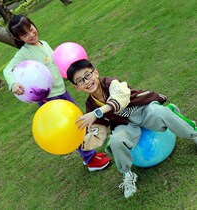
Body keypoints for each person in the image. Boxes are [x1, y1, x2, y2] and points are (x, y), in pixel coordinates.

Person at [66, 59, 197, 199]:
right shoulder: (90, 105)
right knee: (115, 141)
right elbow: (99, 131)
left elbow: (120, 99)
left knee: (160, 112)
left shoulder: (112, 83)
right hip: (125, 125)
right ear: (76, 87)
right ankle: (128, 174)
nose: (86, 81)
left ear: (96, 72)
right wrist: (81, 142)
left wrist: (98, 112)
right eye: (80, 81)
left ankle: (193, 133)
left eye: (88, 75)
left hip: (142, 110)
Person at [3, 15, 111, 172]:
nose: (31, 35)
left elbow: (57, 63)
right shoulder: (24, 53)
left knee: (79, 122)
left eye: (31, 29)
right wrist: (13, 84)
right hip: (49, 99)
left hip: (62, 92)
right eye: (25, 34)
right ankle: (90, 160)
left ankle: (89, 154)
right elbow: (7, 69)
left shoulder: (44, 44)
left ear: (33, 24)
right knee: (73, 128)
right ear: (18, 38)